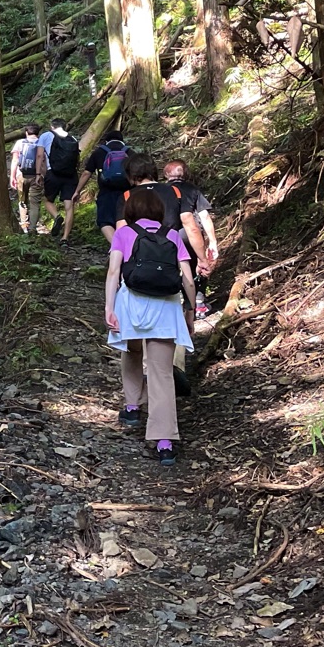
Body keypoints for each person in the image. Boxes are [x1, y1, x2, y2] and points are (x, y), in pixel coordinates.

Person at [105, 186, 195, 463]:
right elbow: (188, 279)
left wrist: (109, 307)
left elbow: (113, 271)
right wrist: (189, 313)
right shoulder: (173, 236)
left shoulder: (123, 233)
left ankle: (132, 406)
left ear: (131, 212)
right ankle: (164, 441)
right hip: (166, 310)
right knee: (161, 374)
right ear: (159, 211)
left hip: (132, 307)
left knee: (131, 351)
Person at [163, 159, 219, 315]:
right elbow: (204, 216)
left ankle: (172, 305)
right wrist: (212, 241)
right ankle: (197, 304)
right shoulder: (192, 189)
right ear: (185, 173)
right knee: (198, 266)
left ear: (166, 174)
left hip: (168, 235)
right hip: (190, 235)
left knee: (170, 267)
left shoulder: (161, 190)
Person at [77, 126, 132, 244]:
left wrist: (77, 191)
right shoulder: (130, 152)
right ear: (122, 140)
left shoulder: (99, 152)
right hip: (128, 193)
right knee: (124, 219)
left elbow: (86, 173)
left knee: (105, 221)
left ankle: (116, 246)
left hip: (106, 191)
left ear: (107, 141)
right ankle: (126, 247)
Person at [41, 116, 81, 242]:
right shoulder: (72, 139)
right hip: (70, 175)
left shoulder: (47, 135)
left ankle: (57, 216)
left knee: (48, 200)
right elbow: (77, 159)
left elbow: (39, 155)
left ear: (52, 126)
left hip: (53, 173)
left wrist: (38, 174)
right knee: (69, 207)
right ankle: (65, 238)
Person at [9, 122, 46, 234]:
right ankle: (32, 228)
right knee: (35, 203)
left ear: (26, 133)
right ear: (38, 133)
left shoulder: (20, 143)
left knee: (22, 201)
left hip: (21, 175)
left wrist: (12, 176)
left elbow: (15, 160)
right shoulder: (42, 143)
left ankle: (24, 226)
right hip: (37, 176)